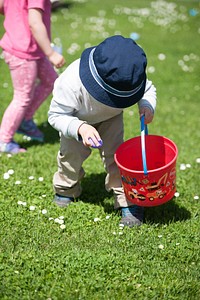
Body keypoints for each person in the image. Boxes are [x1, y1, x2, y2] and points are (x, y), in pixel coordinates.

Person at [48, 35, 157, 227]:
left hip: (111, 118)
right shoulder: (71, 83)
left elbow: (147, 89)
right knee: (70, 157)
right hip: (76, 120)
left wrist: (147, 105)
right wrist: (80, 128)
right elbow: (56, 115)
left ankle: (126, 200)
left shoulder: (131, 75)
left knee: (117, 157)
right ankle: (66, 189)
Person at [0, 0, 65, 154]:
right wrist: (51, 53)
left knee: (51, 81)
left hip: (34, 49)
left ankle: (24, 120)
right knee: (22, 97)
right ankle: (4, 140)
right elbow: (35, 23)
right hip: (23, 52)